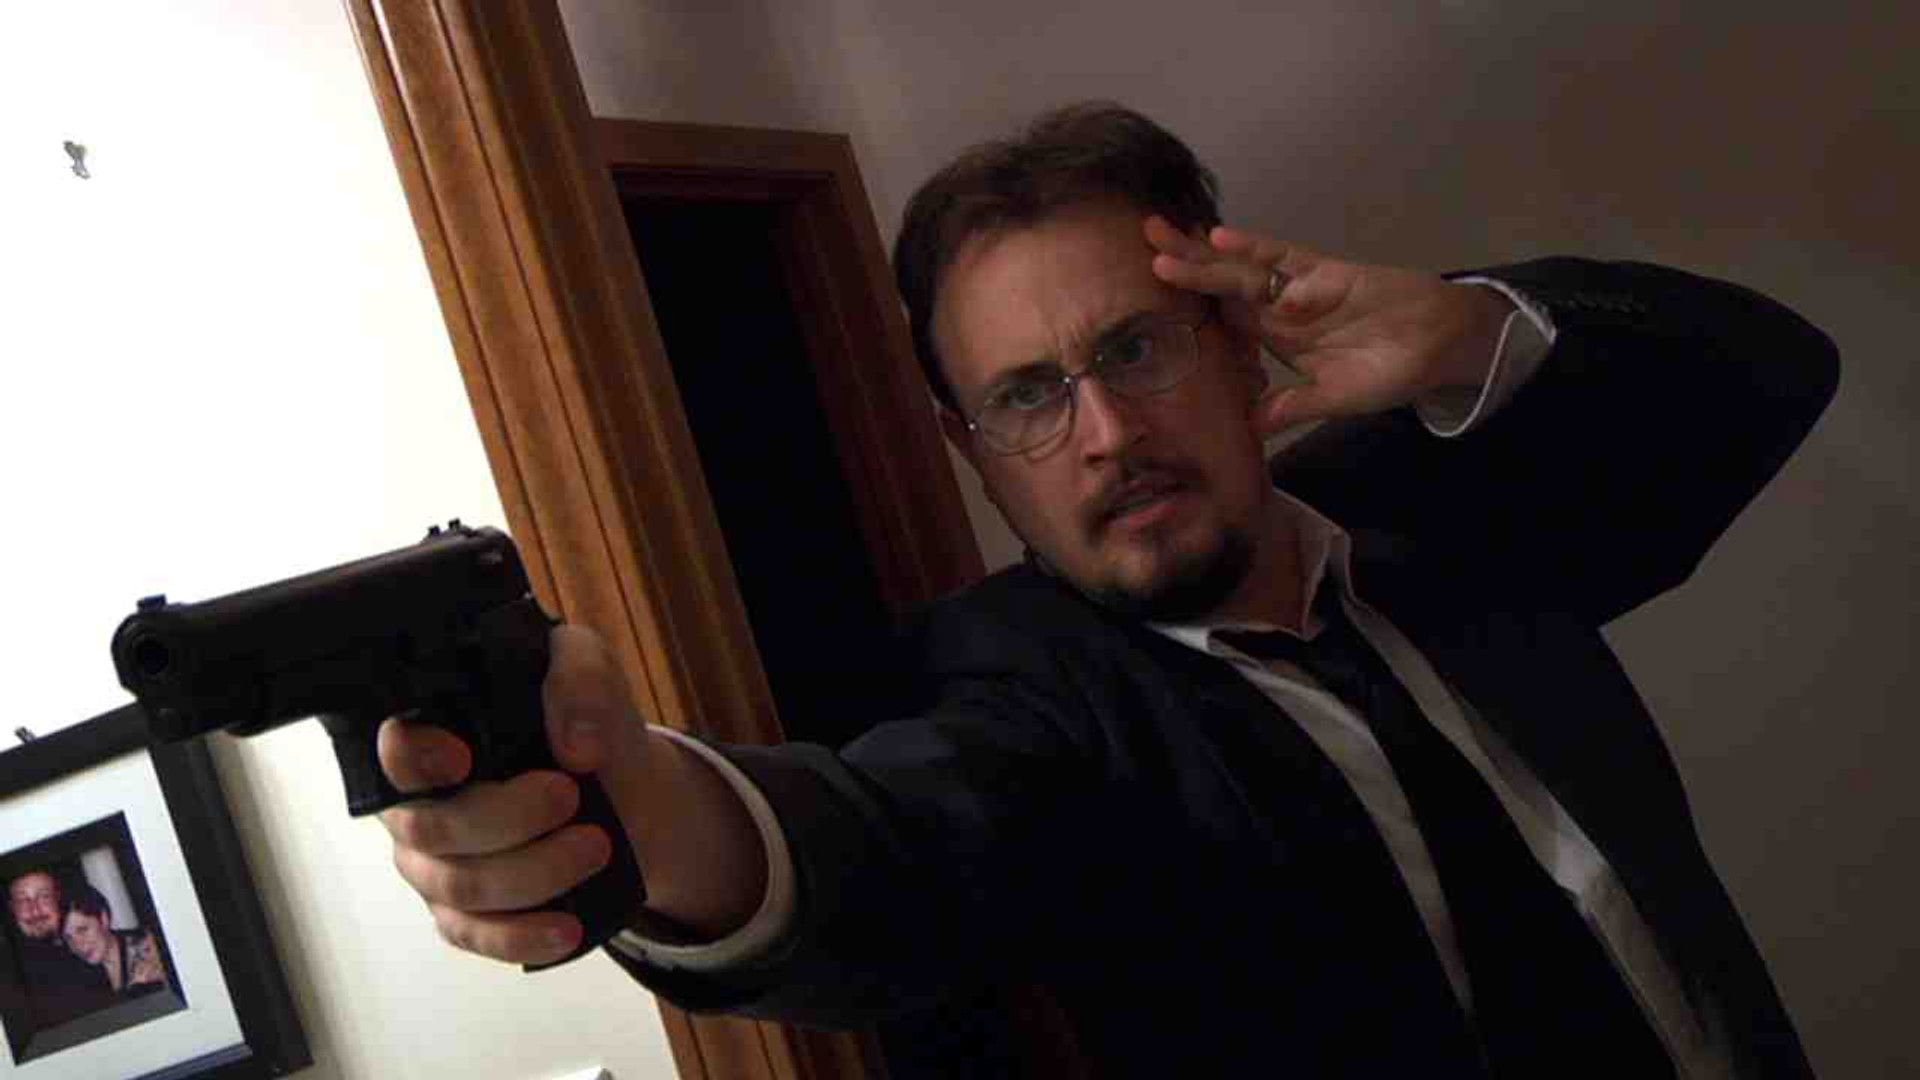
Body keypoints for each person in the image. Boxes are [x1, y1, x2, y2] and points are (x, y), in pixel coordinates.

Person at [374, 103, 1835, 1077]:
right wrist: (636, 804)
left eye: (1135, 350)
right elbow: (880, 851)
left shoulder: (1449, 517)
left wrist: (1460, 333)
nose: (1107, 433)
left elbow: (1765, 377)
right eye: (1027, 395)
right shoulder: (1017, 692)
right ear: (973, 454)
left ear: (1240, 342)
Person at [8, 869, 114, 1028]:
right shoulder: (10, 975)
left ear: (57, 899)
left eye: (44, 897)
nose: (34, 910)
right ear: (12, 908)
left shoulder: (92, 949)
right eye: (23, 901)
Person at [60, 883, 167, 1001]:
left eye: (83, 930)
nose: (78, 945)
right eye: (68, 938)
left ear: (103, 919)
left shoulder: (147, 946)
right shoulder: (80, 974)